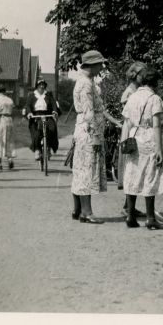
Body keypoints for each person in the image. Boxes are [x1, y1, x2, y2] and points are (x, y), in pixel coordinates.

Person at [120, 66, 163, 230]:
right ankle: (150, 219)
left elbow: (126, 123)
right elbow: (156, 125)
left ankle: (130, 216)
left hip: (134, 137)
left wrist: (125, 141)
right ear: (154, 82)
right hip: (148, 138)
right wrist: (158, 149)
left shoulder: (132, 97)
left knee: (133, 174)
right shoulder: (154, 99)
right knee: (150, 175)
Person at [70, 50, 108, 223]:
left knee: (81, 168)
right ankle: (86, 212)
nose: (101, 67)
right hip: (88, 131)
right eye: (99, 64)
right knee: (86, 170)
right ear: (91, 65)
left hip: (83, 129)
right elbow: (88, 111)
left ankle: (78, 209)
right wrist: (96, 136)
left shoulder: (85, 81)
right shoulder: (85, 83)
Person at [117, 61, 147, 219]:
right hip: (130, 132)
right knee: (131, 170)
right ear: (136, 75)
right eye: (142, 74)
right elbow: (128, 116)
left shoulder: (137, 90)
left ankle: (129, 206)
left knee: (134, 170)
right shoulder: (130, 92)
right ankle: (128, 207)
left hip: (135, 130)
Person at [24, 78, 60, 163]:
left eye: (43, 85)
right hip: (36, 116)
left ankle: (49, 148)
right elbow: (28, 106)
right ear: (37, 86)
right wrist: (29, 113)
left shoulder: (48, 95)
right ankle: (37, 150)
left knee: (52, 129)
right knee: (36, 133)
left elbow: (53, 104)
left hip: (47, 115)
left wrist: (54, 111)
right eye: (40, 85)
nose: (42, 86)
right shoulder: (32, 96)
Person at [0, 86, 16, 169]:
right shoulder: (10, 100)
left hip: (1, 120)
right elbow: (13, 112)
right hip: (10, 120)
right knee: (9, 140)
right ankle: (10, 159)